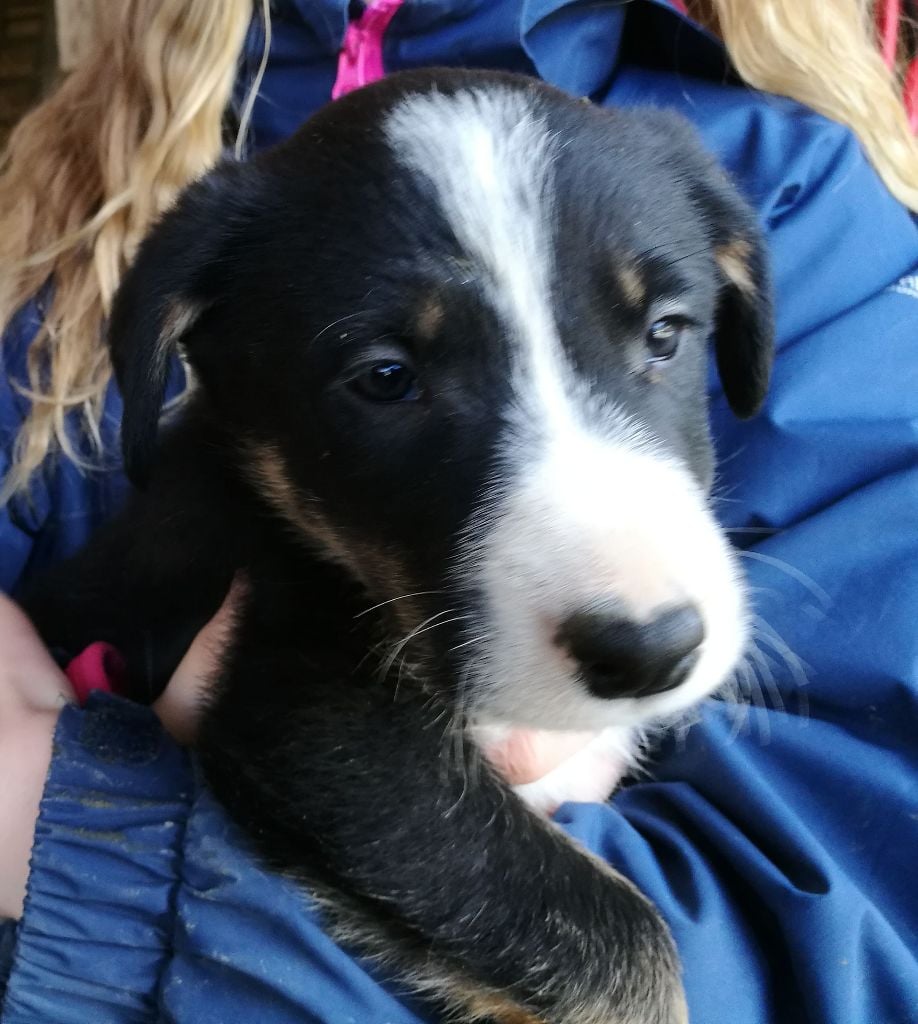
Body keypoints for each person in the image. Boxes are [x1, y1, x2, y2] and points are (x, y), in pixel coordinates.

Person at [1, 1, 917, 1021]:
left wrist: (60, 823)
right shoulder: (68, 236)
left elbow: (862, 855)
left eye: (660, 334)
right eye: (387, 378)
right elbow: (312, 749)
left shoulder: (799, 191)